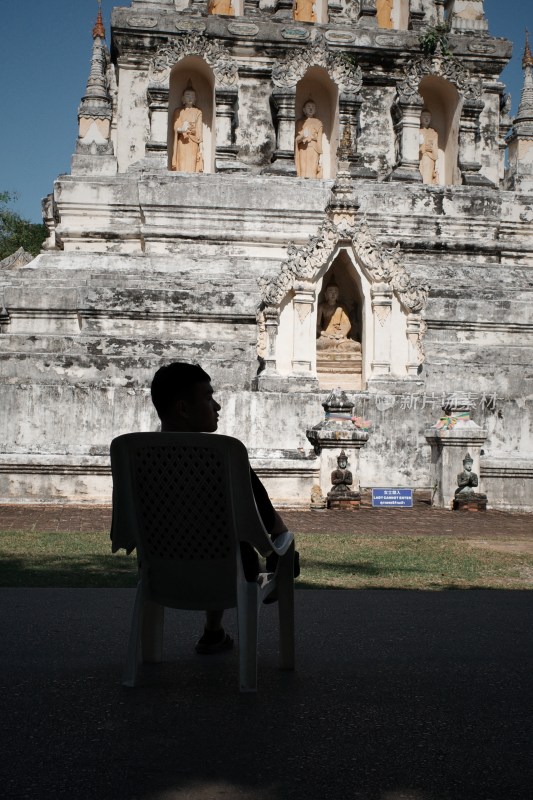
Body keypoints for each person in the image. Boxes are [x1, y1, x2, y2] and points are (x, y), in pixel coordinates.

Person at [150, 362, 298, 654]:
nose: (216, 406)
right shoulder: (226, 457)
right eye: (207, 397)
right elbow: (271, 528)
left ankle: (213, 632)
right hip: (228, 576)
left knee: (207, 534)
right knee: (271, 542)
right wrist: (282, 548)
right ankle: (280, 573)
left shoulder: (137, 456)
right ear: (183, 408)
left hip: (159, 575)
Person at [316, 283, 361, 351]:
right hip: (327, 337)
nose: (333, 294)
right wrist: (324, 333)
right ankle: (335, 347)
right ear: (326, 294)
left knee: (356, 346)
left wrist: (341, 335)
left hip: (340, 338)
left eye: (335, 292)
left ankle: (335, 347)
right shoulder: (322, 307)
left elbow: (347, 324)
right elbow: (317, 325)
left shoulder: (342, 307)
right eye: (330, 291)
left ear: (338, 295)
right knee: (318, 345)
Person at [171, 83, 204, 173]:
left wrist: (201, 149)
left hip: (193, 142)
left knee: (192, 166)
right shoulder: (178, 111)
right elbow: (175, 127)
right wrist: (181, 129)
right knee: (181, 164)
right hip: (182, 142)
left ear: (195, 99)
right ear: (183, 98)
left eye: (192, 96)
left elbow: (199, 131)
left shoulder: (198, 112)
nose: (190, 98)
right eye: (187, 95)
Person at [295, 100, 323, 179]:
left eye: (313, 107)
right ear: (304, 109)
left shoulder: (318, 122)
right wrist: (302, 136)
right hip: (303, 148)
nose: (311, 109)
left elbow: (319, 140)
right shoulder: (299, 122)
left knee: (313, 169)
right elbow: (296, 140)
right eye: (308, 107)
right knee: (303, 169)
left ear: (315, 110)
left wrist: (321, 156)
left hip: (314, 148)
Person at [419, 109, 439, 185]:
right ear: (420, 118)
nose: (427, 119)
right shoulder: (418, 130)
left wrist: (436, 163)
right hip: (421, 157)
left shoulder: (433, 132)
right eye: (424, 117)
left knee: (428, 176)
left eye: (428, 117)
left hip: (430, 157)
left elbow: (435, 148)